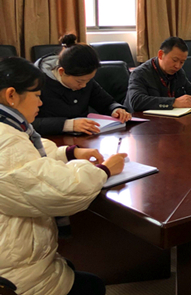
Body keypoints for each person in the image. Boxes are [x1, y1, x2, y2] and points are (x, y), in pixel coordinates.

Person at [0, 57, 127, 295]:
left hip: (13, 256)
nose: (41, 102)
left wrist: (70, 152)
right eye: (37, 95)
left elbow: (29, 158)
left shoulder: (9, 128)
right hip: (13, 274)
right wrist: (105, 170)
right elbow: (64, 191)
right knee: (93, 286)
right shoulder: (5, 140)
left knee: (72, 268)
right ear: (11, 95)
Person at [33, 34, 132, 136]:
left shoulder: (85, 80)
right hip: (49, 141)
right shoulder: (36, 84)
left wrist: (116, 109)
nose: (84, 85)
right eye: (79, 81)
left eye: (88, 80)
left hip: (83, 138)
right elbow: (29, 123)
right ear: (61, 72)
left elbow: (106, 102)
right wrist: (68, 125)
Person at [124, 36, 191, 112]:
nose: (178, 66)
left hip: (168, 119)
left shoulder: (178, 72)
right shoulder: (140, 73)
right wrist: (173, 102)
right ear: (160, 54)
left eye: (182, 62)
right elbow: (136, 101)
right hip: (142, 122)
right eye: (174, 60)